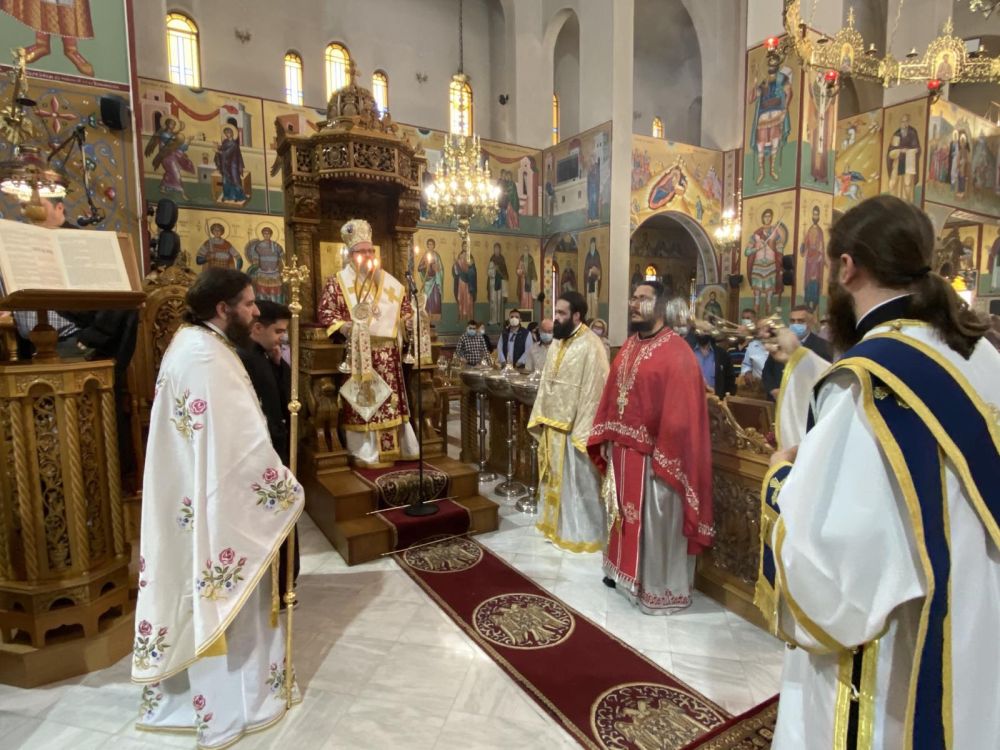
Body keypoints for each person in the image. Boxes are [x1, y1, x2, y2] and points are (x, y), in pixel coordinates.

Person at [756, 195, 999, 748]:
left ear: (847, 267)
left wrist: (779, 480)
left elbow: (831, 570)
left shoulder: (869, 382)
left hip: (898, 657)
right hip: (978, 629)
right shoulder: (980, 354)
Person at [133, 268, 303, 747]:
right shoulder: (206, 357)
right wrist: (280, 487)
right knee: (225, 599)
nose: (255, 311)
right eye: (248, 303)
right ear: (223, 308)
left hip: (196, 497)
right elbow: (235, 448)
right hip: (216, 504)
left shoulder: (196, 344)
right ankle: (235, 705)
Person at [588, 281, 713, 615]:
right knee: (620, 516)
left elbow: (682, 414)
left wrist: (663, 452)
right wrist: (609, 436)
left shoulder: (677, 352)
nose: (634, 303)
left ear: (660, 306)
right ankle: (621, 573)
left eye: (643, 298)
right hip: (623, 452)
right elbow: (614, 396)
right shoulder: (629, 346)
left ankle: (654, 588)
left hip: (655, 458)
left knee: (652, 523)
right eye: (633, 297)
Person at [317, 219, 417, 467]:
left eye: (371, 251)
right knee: (366, 402)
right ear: (351, 255)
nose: (368, 256)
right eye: (362, 251)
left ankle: (397, 448)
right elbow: (326, 313)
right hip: (360, 355)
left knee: (390, 403)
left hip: (389, 355)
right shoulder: (337, 282)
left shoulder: (388, 282)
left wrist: (407, 322)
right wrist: (346, 327)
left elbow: (405, 310)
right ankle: (365, 451)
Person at [529, 294, 609, 552]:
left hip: (575, 428)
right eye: (556, 312)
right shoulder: (557, 341)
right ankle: (554, 528)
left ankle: (581, 534)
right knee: (554, 480)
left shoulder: (592, 345)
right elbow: (547, 381)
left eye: (562, 313)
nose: (556, 318)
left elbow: (596, 389)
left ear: (577, 315)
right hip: (553, 425)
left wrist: (583, 430)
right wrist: (541, 413)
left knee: (578, 484)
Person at [237, 300, 300, 610]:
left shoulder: (264, 356)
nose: (281, 339)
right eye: (278, 332)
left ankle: (287, 580)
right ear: (257, 328)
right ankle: (277, 586)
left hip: (278, 446)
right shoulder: (244, 359)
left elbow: (288, 399)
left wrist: (278, 365)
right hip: (265, 450)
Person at [761, 305, 832, 401]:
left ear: (810, 323)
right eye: (792, 321)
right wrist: (773, 390)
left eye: (801, 321)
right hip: (777, 400)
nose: (795, 324)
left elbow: (824, 379)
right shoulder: (779, 343)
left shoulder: (824, 347)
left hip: (805, 402)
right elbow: (767, 371)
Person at [244, 227, 285, 303]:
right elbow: (255, 257)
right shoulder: (259, 246)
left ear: (271, 235)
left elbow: (282, 256)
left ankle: (276, 306)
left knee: (275, 293)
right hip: (263, 273)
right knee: (262, 293)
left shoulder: (276, 245)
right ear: (262, 235)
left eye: (268, 233)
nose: (266, 235)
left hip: (274, 273)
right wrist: (255, 261)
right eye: (265, 233)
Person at [692, 331, 737, 399]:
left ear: (710, 333)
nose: (702, 333)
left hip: (716, 400)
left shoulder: (722, 354)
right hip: (693, 399)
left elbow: (730, 379)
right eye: (699, 331)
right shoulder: (689, 352)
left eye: (704, 331)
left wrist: (725, 398)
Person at [731, 308, 769, 382]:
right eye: (760, 329)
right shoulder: (752, 345)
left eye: (748, 318)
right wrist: (747, 372)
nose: (762, 331)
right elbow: (746, 364)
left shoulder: (779, 345)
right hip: (756, 384)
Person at [215, 125, 247, 204]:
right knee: (225, 181)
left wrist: (218, 151)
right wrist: (218, 146)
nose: (227, 134)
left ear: (232, 133)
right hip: (225, 166)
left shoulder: (234, 144)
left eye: (229, 132)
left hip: (233, 166)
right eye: (226, 132)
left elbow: (227, 153)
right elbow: (223, 148)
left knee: (235, 181)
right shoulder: (225, 142)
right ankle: (227, 196)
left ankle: (238, 196)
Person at [487, 243, 509, 324]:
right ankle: (493, 320)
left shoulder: (502, 259)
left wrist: (500, 272)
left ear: (500, 250)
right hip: (493, 284)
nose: (496, 250)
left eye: (498, 249)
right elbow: (489, 272)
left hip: (500, 284)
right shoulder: (492, 259)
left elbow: (505, 273)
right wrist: (494, 270)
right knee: (493, 301)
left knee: (499, 301)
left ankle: (499, 320)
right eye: (495, 249)